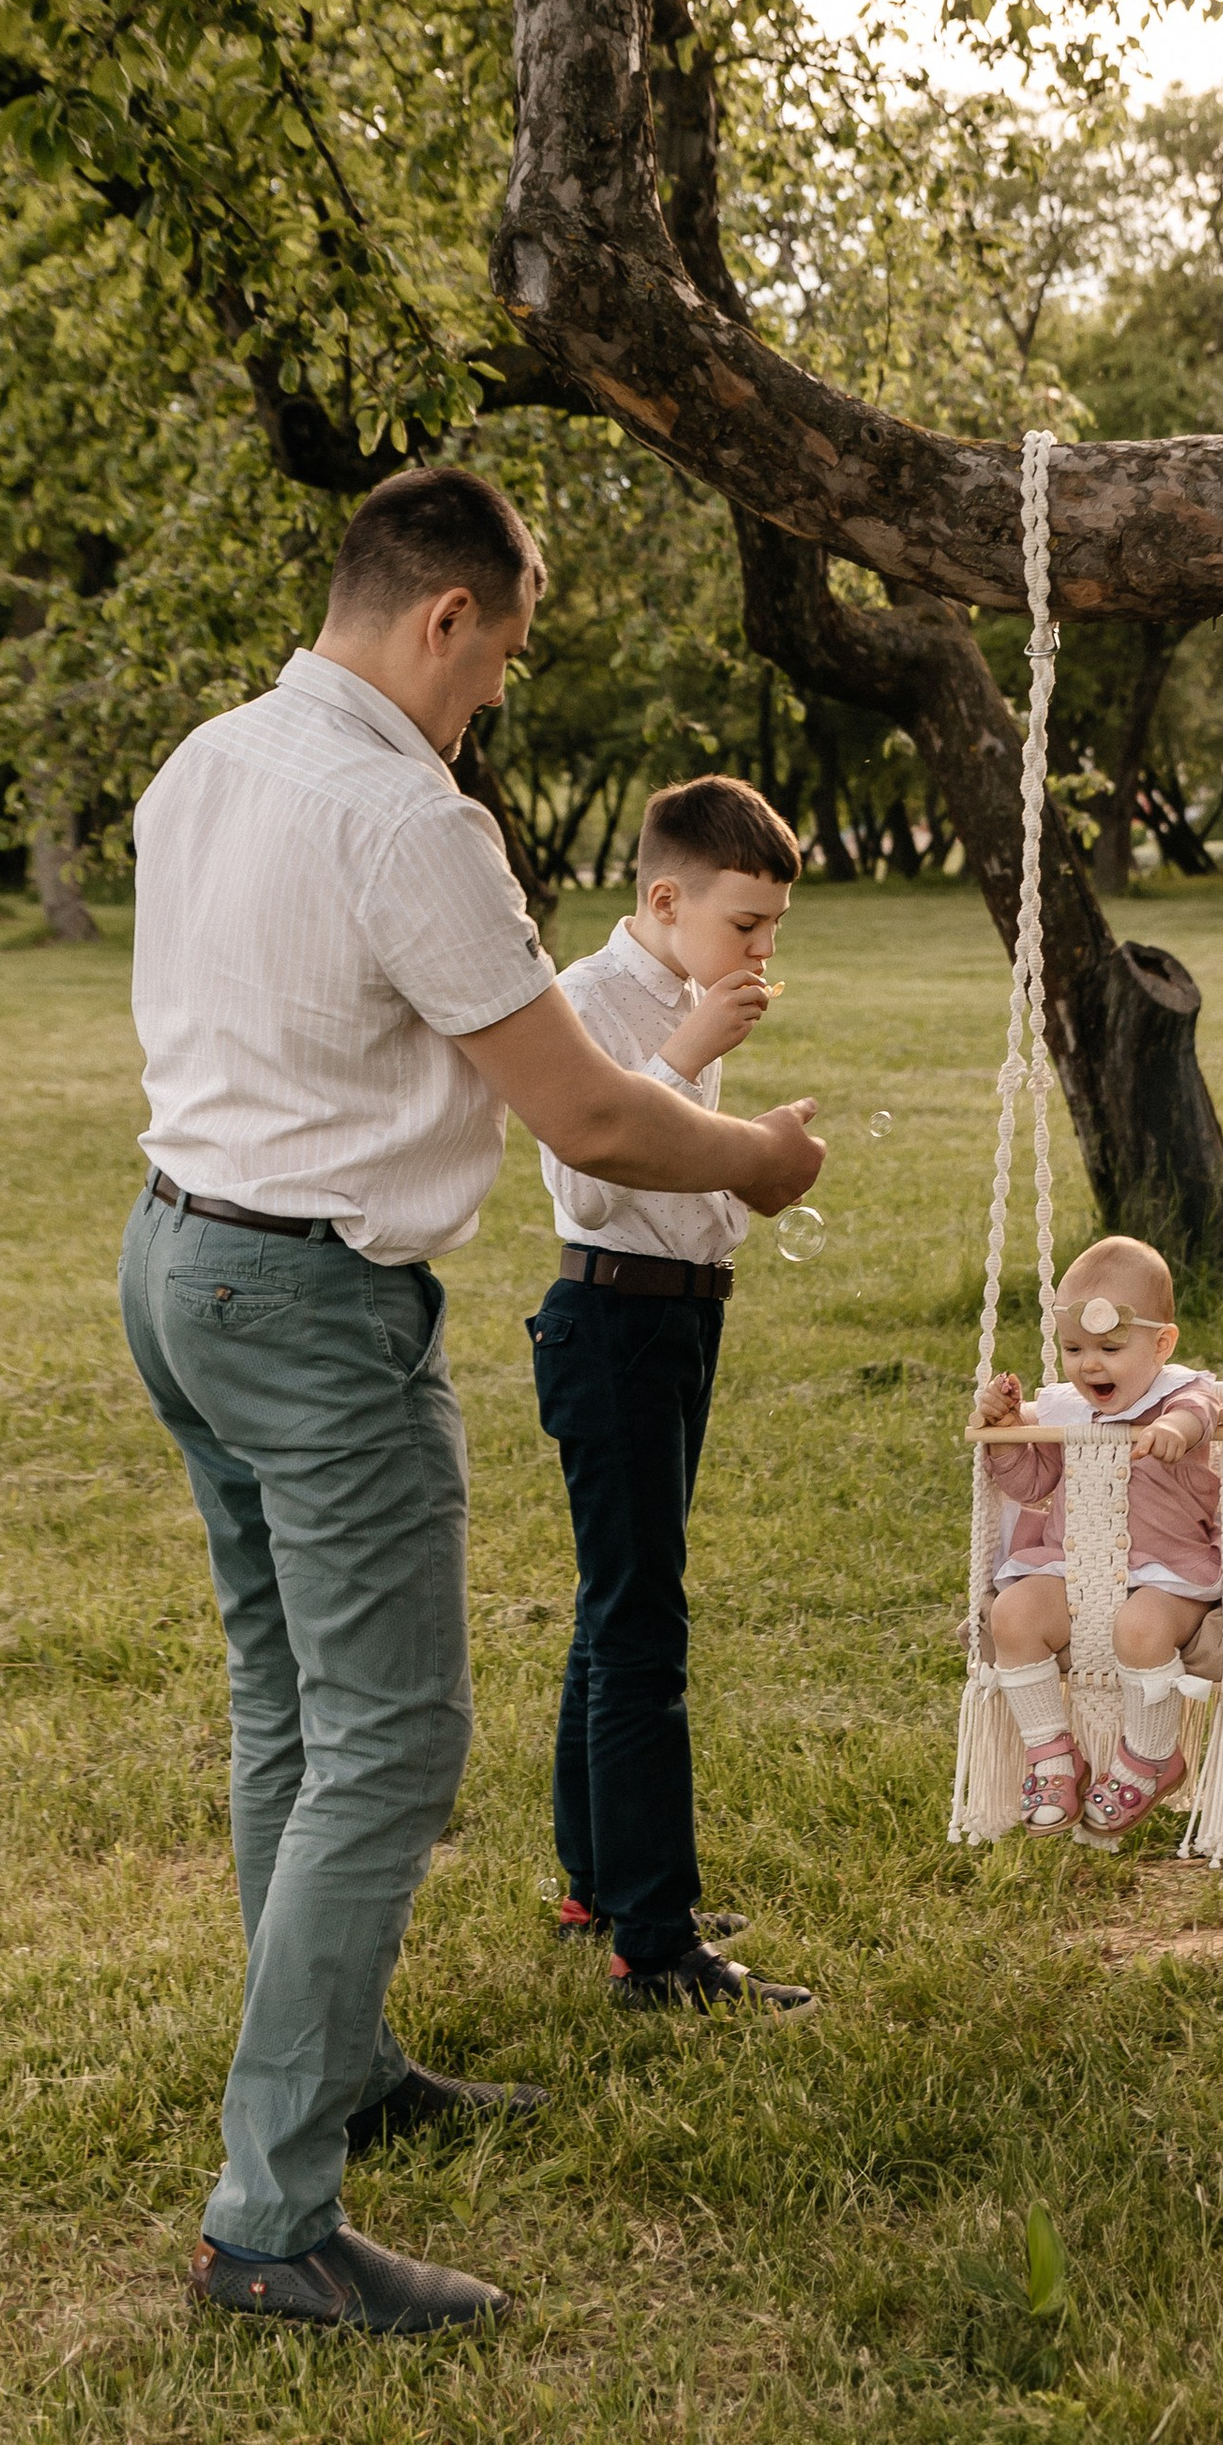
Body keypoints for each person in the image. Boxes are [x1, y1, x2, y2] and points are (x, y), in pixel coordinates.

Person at [120, 468, 823, 2336]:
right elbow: (587, 1110)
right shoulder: (404, 815)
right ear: (449, 616)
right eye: (502, 655)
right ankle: (270, 2218)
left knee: (294, 1711)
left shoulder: (206, 761)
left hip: (176, 1257)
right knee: (393, 1742)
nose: (495, 694)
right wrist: (753, 1155)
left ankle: (337, 2067)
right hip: (309, 1297)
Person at [533, 774, 817, 2013]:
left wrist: (754, 1149)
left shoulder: (682, 1001)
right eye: (746, 924)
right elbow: (591, 1181)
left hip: (678, 1318)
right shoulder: (589, 1003)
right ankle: (655, 1947)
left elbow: (690, 1175)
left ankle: (600, 1879)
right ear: (664, 897)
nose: (761, 951)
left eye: (772, 930)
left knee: (617, 1603)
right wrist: (691, 1054)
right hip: (613, 1318)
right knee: (643, 1626)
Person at [974, 1236, 1223, 1840]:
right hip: (1073, 1566)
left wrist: (1176, 1427)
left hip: (1168, 1570)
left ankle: (1150, 1754)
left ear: (1161, 1344)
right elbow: (1031, 1479)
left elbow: (1206, 1408)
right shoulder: (1065, 1408)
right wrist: (1007, 1431)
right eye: (1074, 1348)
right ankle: (1052, 1753)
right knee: (1011, 1615)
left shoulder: (1179, 1394)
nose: (1091, 1365)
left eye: (1112, 1348)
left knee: (1140, 1631)